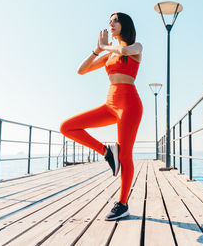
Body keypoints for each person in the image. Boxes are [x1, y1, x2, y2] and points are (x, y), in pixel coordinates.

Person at [60, 12, 143, 221]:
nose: (111, 23)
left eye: (115, 20)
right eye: (110, 21)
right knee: (67, 127)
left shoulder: (136, 48)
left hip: (130, 105)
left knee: (125, 156)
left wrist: (106, 47)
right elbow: (81, 70)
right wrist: (96, 50)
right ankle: (106, 151)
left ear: (124, 25)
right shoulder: (108, 55)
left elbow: (124, 49)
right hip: (110, 104)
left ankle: (123, 203)